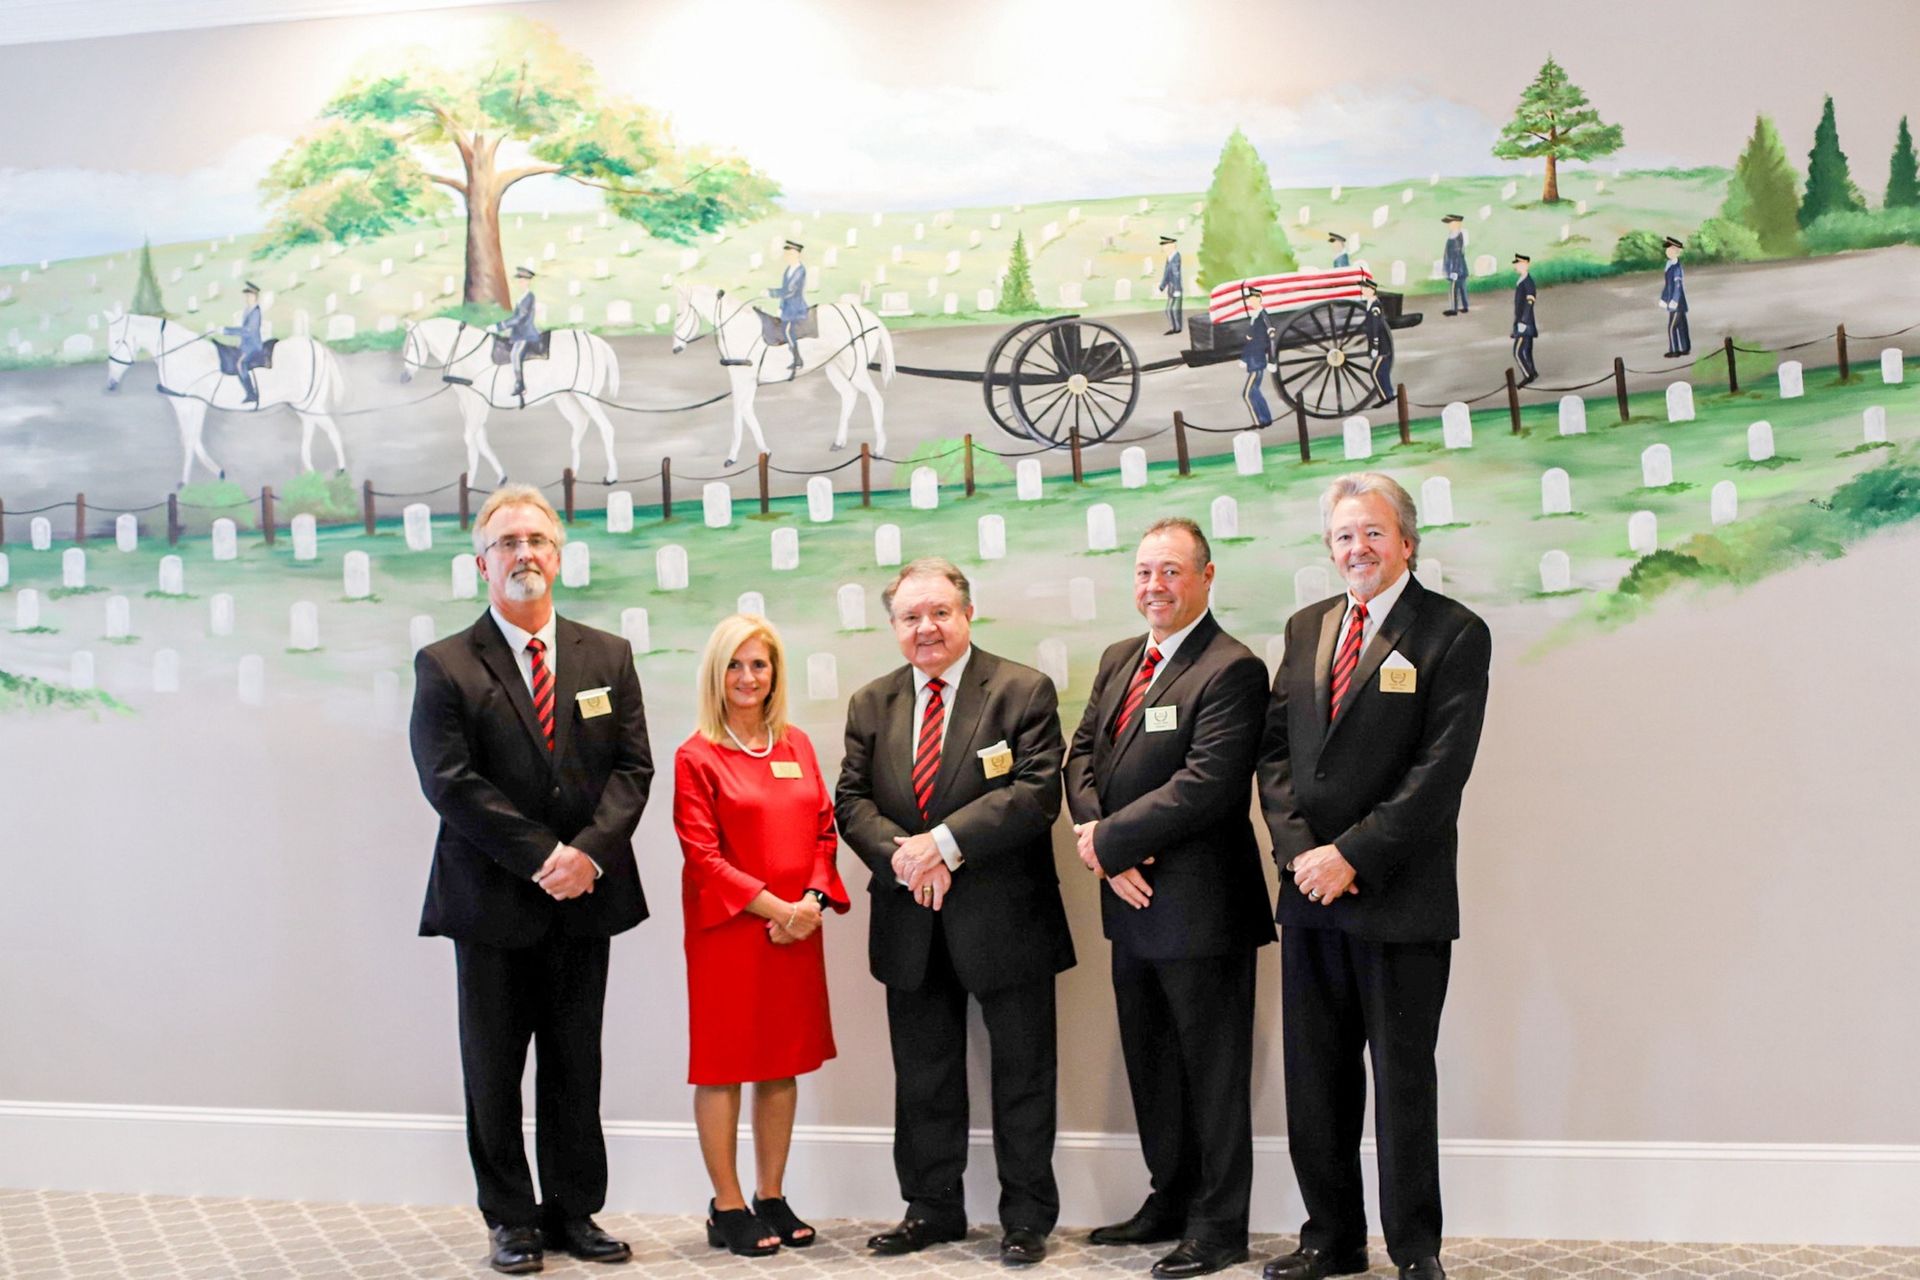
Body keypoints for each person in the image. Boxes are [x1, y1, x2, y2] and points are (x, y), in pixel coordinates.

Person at [409, 483, 653, 1276]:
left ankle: (573, 1210)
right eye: (508, 543)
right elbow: (449, 781)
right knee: (493, 1067)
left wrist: (585, 855)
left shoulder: (606, 655)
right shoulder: (446, 663)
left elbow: (632, 769)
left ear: (560, 556)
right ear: (481, 562)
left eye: (537, 542)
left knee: (577, 1062)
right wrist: (543, 858)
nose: (525, 555)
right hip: (491, 900)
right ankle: (510, 1219)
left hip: (588, 894)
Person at [1256, 473, 1492, 1280]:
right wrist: (1301, 857)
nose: (1356, 548)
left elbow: (1440, 771)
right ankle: (1330, 1237)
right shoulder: (1304, 627)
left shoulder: (1454, 633)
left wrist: (1351, 854)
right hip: (1309, 895)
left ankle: (1415, 1249)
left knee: (1401, 1083)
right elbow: (1275, 757)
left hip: (1400, 896)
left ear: (1407, 541)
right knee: (1315, 1080)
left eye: (1372, 532)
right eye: (1343, 535)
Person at [835, 557, 1075, 1268]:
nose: (926, 627)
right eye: (910, 616)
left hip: (1009, 918)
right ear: (894, 627)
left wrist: (942, 845)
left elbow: (1035, 795)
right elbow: (850, 802)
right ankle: (931, 1209)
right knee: (924, 1075)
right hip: (910, 919)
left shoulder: (1022, 689)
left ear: (968, 614)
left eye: (939, 612)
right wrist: (907, 858)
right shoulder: (869, 704)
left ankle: (1027, 1218)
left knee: (1025, 1075)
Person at [1065, 519, 1273, 1280]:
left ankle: (1220, 1226)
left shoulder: (1234, 669)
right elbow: (1080, 754)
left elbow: (1208, 786)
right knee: (1153, 1064)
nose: (1155, 586)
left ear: (1207, 578)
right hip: (1129, 900)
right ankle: (1171, 1196)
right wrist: (1098, 842)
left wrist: (1108, 842)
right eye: (1145, 571)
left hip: (1202, 908)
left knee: (1212, 1073)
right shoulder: (1122, 658)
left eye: (1172, 572)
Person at [674, 614, 849, 1258]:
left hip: (796, 929)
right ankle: (727, 1206)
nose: (749, 678)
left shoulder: (796, 744)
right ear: (716, 675)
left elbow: (824, 832)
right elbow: (703, 856)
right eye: (735, 665)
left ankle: (771, 1195)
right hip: (730, 933)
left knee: (781, 1063)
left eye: (760, 664)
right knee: (724, 1068)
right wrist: (775, 907)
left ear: (775, 673)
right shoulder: (696, 755)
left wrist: (807, 902)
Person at [498, 266, 540, 399]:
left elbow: (520, 318)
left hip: (526, 333)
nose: (521, 282)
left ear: (528, 281)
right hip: (518, 333)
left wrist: (501, 326)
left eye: (523, 280)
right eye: (519, 280)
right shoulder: (521, 297)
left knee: (515, 354)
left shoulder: (529, 297)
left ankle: (520, 383)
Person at [769, 240, 808, 375]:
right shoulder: (788, 270)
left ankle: (798, 360)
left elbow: (790, 291)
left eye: (790, 254)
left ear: (797, 254)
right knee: (783, 332)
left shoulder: (800, 270)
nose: (787, 257)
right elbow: (785, 291)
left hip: (795, 308)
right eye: (787, 254)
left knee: (788, 332)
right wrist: (780, 306)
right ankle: (793, 358)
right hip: (787, 307)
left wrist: (771, 293)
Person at [223, 281, 265, 404]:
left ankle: (251, 394)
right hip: (246, 345)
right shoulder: (247, 310)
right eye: (246, 295)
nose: (246, 298)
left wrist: (226, 330)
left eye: (249, 295)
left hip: (254, 347)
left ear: (254, 296)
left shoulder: (256, 312)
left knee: (240, 364)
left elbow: (248, 331)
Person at [1240, 284, 1275, 427]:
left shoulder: (1262, 316)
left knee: (1247, 394)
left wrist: (1272, 361)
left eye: (1253, 300)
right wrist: (1243, 358)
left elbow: (1271, 336)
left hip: (1257, 361)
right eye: (1249, 300)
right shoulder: (1255, 317)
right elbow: (1250, 341)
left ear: (1259, 299)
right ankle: (1265, 419)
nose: (1250, 303)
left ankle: (1257, 422)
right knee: (1254, 392)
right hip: (1253, 360)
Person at [1510, 254, 1538, 385]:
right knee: (1527, 350)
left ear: (1526, 265)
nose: (1516, 266)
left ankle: (1528, 375)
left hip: (1525, 324)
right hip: (1523, 323)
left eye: (1519, 264)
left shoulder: (1527, 282)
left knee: (1518, 352)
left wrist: (1523, 322)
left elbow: (1529, 303)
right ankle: (1532, 371)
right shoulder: (1522, 280)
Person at [1660, 236, 1690, 358]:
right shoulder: (1669, 265)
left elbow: (1677, 286)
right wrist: (1663, 298)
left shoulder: (1676, 267)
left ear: (1677, 251)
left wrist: (1674, 300)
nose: (1668, 251)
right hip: (1674, 302)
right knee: (1681, 325)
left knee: (1672, 326)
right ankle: (1685, 347)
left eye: (1671, 249)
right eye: (1668, 249)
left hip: (1677, 303)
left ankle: (1674, 350)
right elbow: (1668, 285)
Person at [1440, 216, 1468, 316]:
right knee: (1462, 288)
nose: (1449, 225)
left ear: (1456, 223)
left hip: (1457, 269)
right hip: (1460, 269)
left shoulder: (1455, 237)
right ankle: (1465, 306)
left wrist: (1454, 270)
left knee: (1454, 289)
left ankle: (1454, 309)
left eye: (1451, 223)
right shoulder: (1455, 235)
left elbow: (1456, 255)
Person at [1160, 236, 1185, 334]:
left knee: (1175, 310)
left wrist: (1177, 289)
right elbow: (1167, 274)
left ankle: (1177, 328)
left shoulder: (1175, 257)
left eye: (1165, 245)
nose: (1163, 248)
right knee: (1169, 310)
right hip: (1171, 288)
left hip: (1176, 288)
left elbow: (1176, 274)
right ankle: (1174, 328)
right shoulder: (1170, 257)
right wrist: (1163, 286)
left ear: (1171, 246)